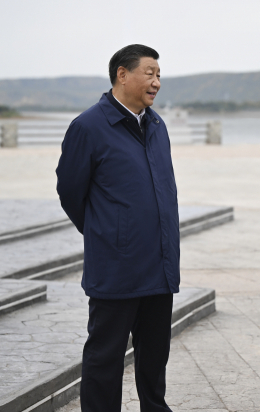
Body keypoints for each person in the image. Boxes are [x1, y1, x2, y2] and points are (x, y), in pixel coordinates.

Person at [56, 44, 179, 412]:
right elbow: (70, 193)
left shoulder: (156, 125)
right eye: (149, 73)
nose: (156, 81)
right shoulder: (88, 126)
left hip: (159, 262)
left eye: (159, 74)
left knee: (155, 356)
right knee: (105, 356)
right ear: (122, 75)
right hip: (116, 266)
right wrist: (106, 232)